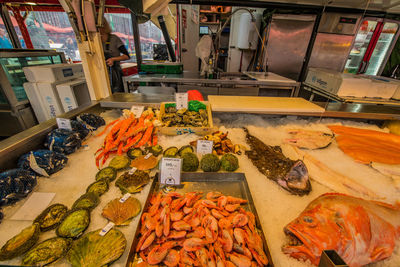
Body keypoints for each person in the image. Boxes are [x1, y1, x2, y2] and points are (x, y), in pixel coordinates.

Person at [99, 18, 130, 93]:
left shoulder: (114, 39)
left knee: (118, 93)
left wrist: (113, 59)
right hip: (101, 74)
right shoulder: (94, 40)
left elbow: (127, 56)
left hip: (115, 73)